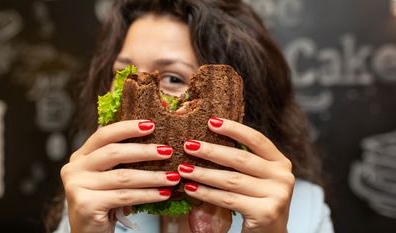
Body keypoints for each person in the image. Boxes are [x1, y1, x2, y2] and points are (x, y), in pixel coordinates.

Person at [49, 0, 334, 232]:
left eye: (173, 77)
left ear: (238, 104)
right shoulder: (90, 200)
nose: (136, 96)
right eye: (124, 74)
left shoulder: (304, 212)